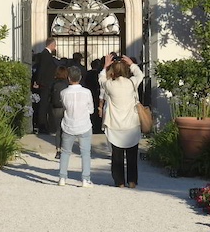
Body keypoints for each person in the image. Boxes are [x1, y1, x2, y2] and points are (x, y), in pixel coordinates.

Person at [100, 52, 145, 188]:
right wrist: (132, 64)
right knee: (132, 155)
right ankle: (132, 180)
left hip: (115, 124)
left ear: (113, 71)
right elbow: (140, 75)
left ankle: (119, 181)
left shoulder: (109, 85)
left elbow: (101, 78)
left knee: (117, 156)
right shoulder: (131, 83)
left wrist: (105, 66)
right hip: (131, 123)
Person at [58, 65, 95, 187]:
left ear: (68, 78)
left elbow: (65, 107)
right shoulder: (87, 92)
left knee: (65, 152)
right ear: (80, 77)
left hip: (68, 124)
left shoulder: (63, 93)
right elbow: (91, 110)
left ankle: (62, 177)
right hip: (84, 124)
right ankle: (85, 179)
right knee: (85, 153)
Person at [32, 38, 60, 133]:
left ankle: (45, 125)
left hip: (46, 83)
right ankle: (42, 125)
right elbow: (42, 69)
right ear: (52, 45)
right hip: (45, 83)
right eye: (55, 45)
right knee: (43, 105)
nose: (55, 47)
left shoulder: (46, 54)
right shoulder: (45, 55)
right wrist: (38, 82)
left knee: (45, 105)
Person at [49, 65, 69, 159]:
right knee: (65, 130)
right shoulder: (67, 84)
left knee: (58, 130)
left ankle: (58, 150)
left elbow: (50, 96)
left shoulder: (54, 83)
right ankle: (65, 149)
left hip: (56, 108)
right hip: (65, 108)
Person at [83, 58, 104, 134]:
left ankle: (92, 126)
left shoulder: (87, 73)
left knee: (91, 111)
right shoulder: (99, 73)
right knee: (98, 110)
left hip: (90, 92)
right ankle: (98, 127)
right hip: (97, 93)